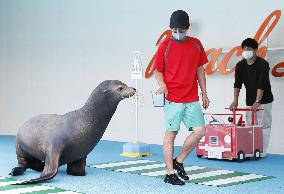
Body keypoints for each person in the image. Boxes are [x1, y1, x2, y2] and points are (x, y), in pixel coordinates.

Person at [154, 10, 209, 185]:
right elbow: (157, 70)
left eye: (181, 29)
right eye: (174, 30)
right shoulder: (165, 46)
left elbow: (200, 69)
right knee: (171, 134)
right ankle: (170, 173)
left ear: (188, 27)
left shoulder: (196, 44)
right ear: (171, 29)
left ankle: (179, 160)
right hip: (173, 98)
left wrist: (204, 93)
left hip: (191, 97)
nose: (178, 33)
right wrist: (162, 84)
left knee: (200, 131)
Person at [230, 38, 274, 157]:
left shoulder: (262, 64)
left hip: (264, 100)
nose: (246, 51)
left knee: (263, 124)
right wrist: (235, 101)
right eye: (244, 49)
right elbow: (237, 84)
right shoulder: (240, 65)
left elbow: (262, 83)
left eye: (249, 49)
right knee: (250, 124)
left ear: (255, 50)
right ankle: (251, 149)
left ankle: (262, 151)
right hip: (250, 100)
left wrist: (258, 101)